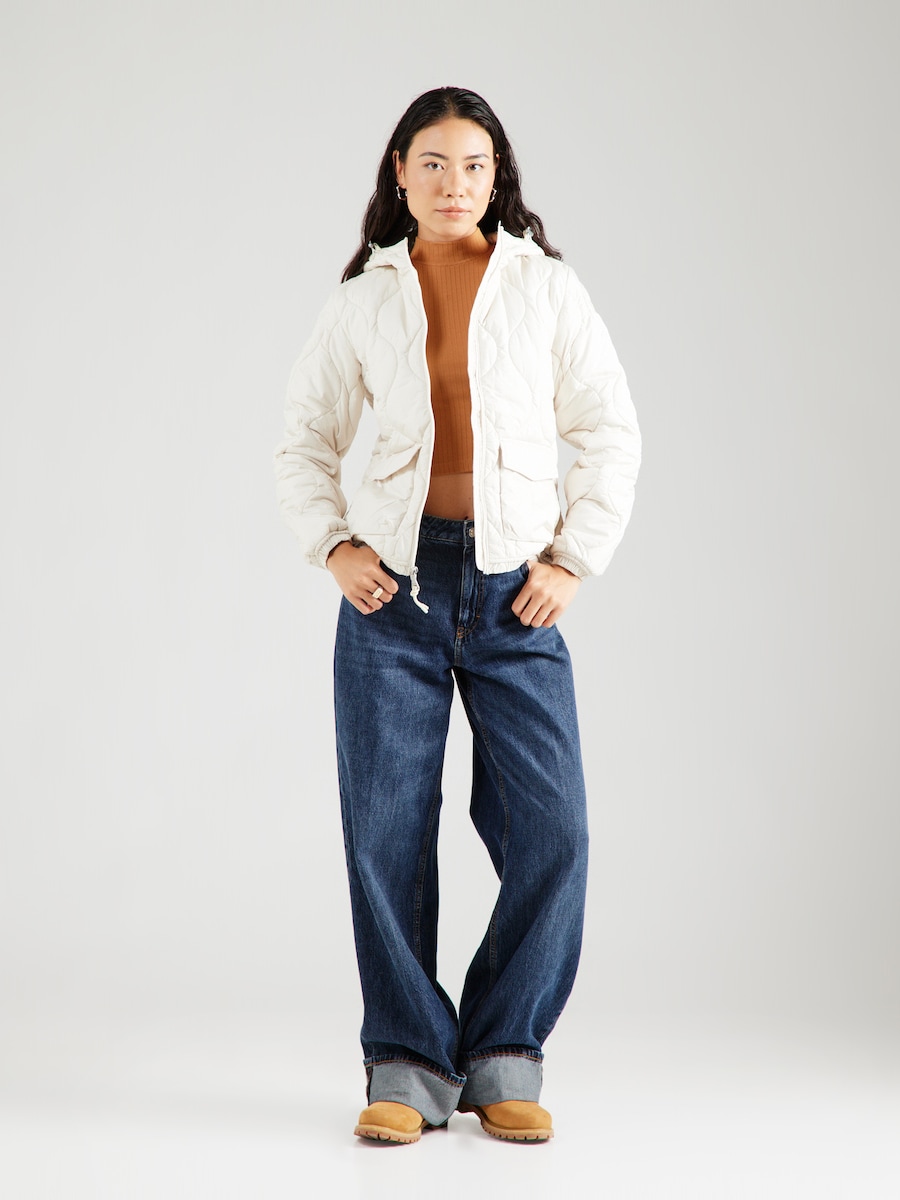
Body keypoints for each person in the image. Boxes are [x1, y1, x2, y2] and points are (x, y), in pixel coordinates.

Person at [274, 86, 641, 1144]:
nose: (453, 183)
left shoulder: (545, 288)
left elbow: (609, 430)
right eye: (432, 163)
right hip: (394, 592)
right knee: (386, 830)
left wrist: (573, 560)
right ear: (400, 172)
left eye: (473, 165)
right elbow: (302, 437)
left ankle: (503, 1053)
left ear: (497, 177)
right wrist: (335, 546)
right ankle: (406, 1065)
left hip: (515, 590)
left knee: (555, 830)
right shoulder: (363, 298)